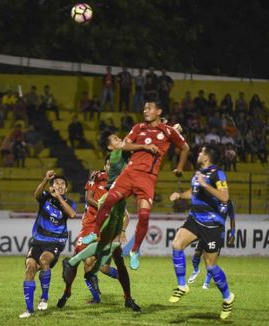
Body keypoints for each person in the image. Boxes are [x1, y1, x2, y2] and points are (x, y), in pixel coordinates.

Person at [81, 101, 189, 270]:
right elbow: (125, 145)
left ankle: (135, 250)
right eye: (144, 108)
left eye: (149, 108)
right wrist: (144, 146)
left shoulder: (168, 131)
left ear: (158, 111)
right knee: (107, 201)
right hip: (129, 174)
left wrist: (180, 168)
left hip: (147, 178)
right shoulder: (138, 127)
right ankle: (95, 233)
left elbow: (185, 148)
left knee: (144, 215)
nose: (145, 110)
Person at [61, 136, 141, 312]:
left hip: (110, 227)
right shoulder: (96, 176)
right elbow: (88, 198)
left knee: (116, 263)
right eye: (109, 165)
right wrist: (103, 205)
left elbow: (125, 214)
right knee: (82, 260)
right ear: (105, 166)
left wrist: (121, 230)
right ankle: (67, 292)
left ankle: (128, 298)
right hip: (90, 225)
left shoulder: (122, 183)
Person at [168, 144, 235, 320]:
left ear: (207, 156)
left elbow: (224, 197)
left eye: (201, 151)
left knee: (211, 267)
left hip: (212, 225)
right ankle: (182, 285)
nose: (198, 153)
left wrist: (206, 185)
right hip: (195, 219)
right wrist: (180, 195)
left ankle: (228, 297)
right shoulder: (198, 173)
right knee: (177, 244)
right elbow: (194, 192)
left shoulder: (217, 174)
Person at [20, 171, 77, 319]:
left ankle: (44, 298)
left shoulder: (69, 203)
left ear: (66, 189)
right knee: (30, 267)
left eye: (63, 184)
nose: (60, 185)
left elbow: (71, 214)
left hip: (55, 241)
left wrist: (58, 197)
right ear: (52, 186)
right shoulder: (45, 198)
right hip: (38, 240)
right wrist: (45, 179)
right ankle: (29, 309)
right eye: (57, 183)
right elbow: (36, 194)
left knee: (44, 261)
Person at [187, 200, 236, 289]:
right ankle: (196, 270)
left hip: (218, 233)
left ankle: (206, 283)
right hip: (206, 230)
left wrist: (233, 233)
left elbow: (232, 218)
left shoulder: (229, 203)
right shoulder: (211, 199)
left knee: (212, 260)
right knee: (197, 254)